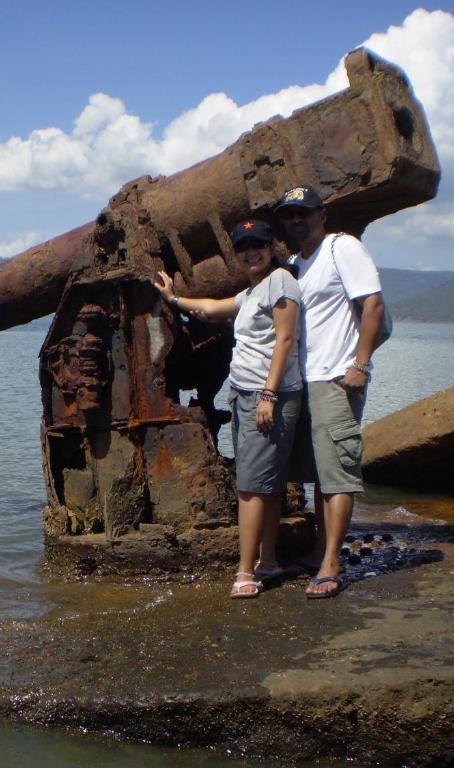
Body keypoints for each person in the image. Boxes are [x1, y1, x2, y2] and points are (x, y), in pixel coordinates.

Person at [153, 219, 301, 599]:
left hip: (266, 396)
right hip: (246, 394)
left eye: (258, 244)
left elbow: (286, 337)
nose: (251, 252)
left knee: (250, 486)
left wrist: (268, 395)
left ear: (271, 247)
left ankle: (244, 572)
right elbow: (211, 308)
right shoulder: (253, 292)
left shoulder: (281, 281)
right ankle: (267, 560)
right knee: (265, 484)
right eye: (243, 246)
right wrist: (173, 299)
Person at [274, 186, 386, 599]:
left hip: (336, 377)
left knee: (337, 472)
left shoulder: (344, 248)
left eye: (304, 213)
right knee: (322, 472)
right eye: (289, 216)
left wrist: (360, 364)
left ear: (322, 215)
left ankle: (332, 565)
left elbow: (372, 304)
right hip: (304, 380)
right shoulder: (296, 264)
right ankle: (322, 551)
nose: (296, 221)